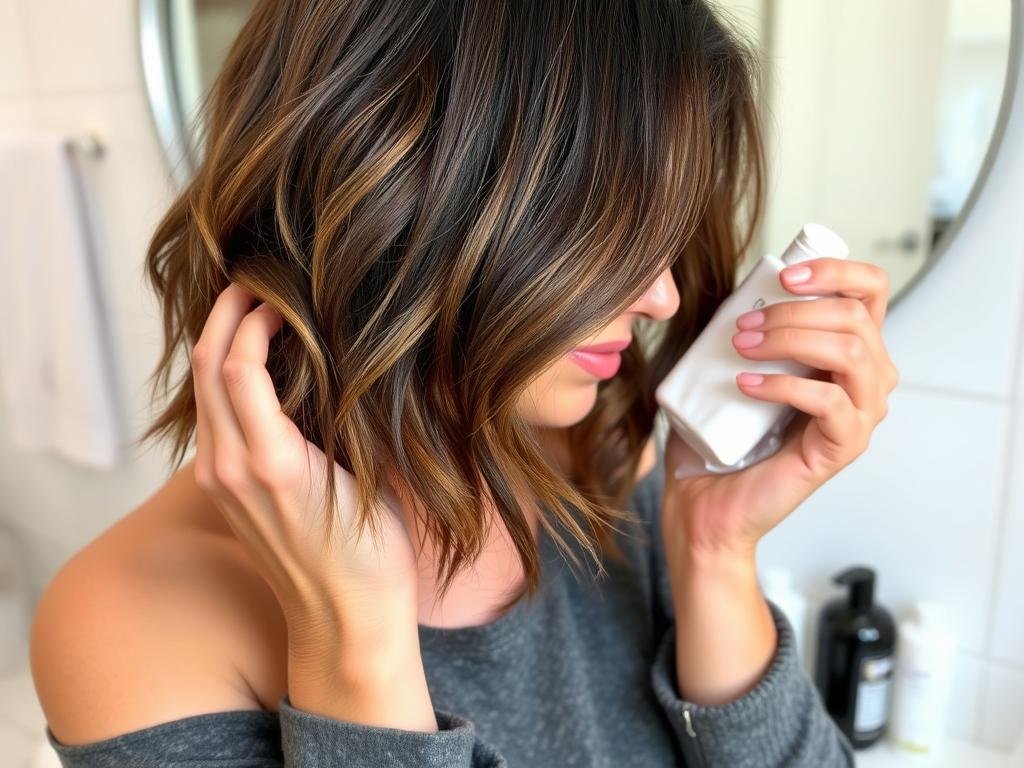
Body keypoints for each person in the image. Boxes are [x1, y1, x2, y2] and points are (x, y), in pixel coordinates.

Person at [31, 0, 897, 765]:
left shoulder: (597, 454)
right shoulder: (129, 617)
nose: (661, 296)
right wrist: (353, 635)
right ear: (399, 193)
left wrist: (712, 553)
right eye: (610, 227)